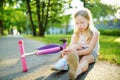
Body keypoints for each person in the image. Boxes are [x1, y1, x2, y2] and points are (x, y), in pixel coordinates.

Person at [51, 8, 100, 80]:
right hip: (80, 51)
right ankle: (63, 63)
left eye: (82, 22)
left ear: (88, 20)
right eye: (77, 23)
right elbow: (71, 45)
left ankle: (76, 71)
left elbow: (89, 50)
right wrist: (66, 51)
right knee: (75, 45)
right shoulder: (76, 33)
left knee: (85, 59)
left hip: (91, 53)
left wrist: (76, 53)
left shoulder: (94, 33)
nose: (79, 25)